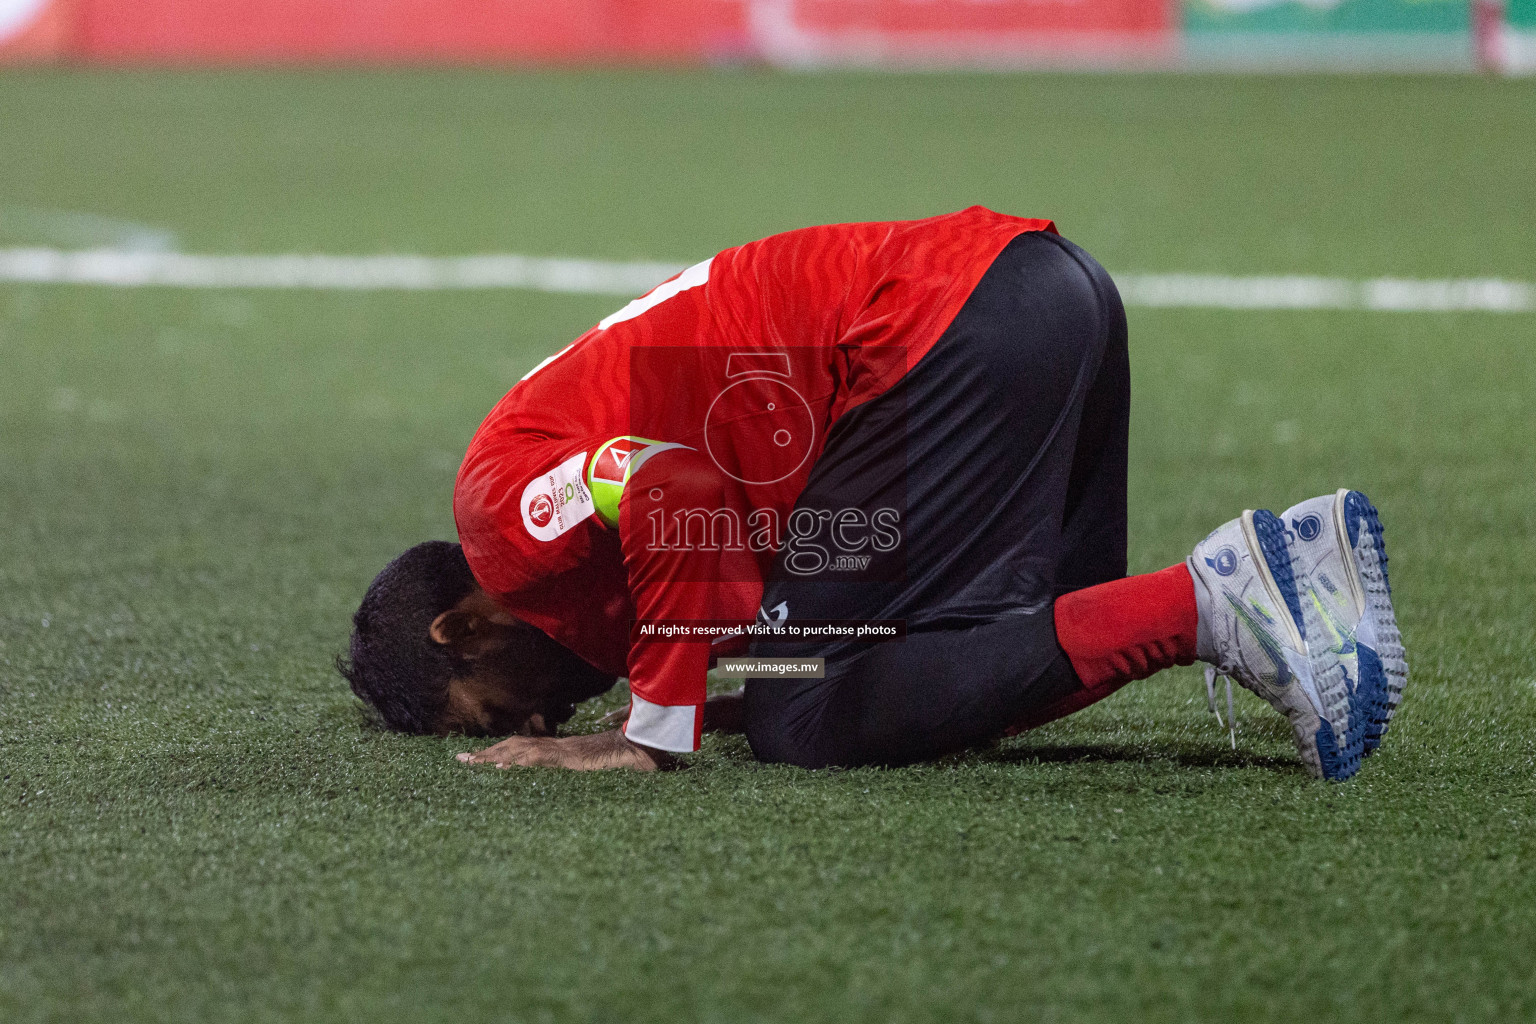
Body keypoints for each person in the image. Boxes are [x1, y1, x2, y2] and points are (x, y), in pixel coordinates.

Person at [338, 207, 1407, 781]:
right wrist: (721, 700)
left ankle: (1217, 598)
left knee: (811, 721)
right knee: (956, 661)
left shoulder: (502, 515)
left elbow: (670, 479)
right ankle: (1288, 573)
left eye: (494, 704)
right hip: (1045, 295)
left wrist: (648, 732)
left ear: (464, 625)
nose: (537, 714)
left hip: (935, 336)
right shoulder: (586, 555)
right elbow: (798, 607)